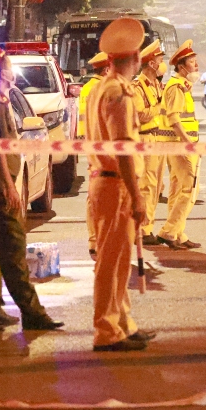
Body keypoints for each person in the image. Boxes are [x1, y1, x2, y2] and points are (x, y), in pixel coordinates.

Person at [0, 36, 64, 333]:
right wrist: (8, 186)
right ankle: (33, 313)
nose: (12, 70)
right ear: (2, 72)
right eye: (8, 65)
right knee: (13, 251)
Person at [85, 17, 157, 352]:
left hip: (109, 184)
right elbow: (124, 149)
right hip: (116, 186)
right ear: (137, 59)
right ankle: (107, 330)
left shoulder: (102, 86)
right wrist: (138, 195)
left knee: (118, 261)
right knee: (111, 263)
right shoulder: (119, 93)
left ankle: (123, 323)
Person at [157, 40, 203, 249]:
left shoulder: (183, 86)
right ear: (182, 66)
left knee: (177, 189)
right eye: (193, 62)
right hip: (180, 145)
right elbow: (174, 120)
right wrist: (189, 143)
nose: (197, 66)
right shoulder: (176, 87)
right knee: (188, 188)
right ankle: (168, 231)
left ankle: (178, 234)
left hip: (179, 145)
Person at [134, 41, 167, 247]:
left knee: (156, 186)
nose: (163, 64)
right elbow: (140, 114)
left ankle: (149, 226)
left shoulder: (158, 85)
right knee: (146, 185)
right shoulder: (138, 87)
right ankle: (143, 229)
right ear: (151, 64)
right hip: (145, 139)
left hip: (158, 139)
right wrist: (160, 107)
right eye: (160, 60)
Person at [77, 51, 110, 258]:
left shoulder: (87, 88)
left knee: (93, 195)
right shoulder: (104, 88)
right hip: (105, 148)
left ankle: (94, 239)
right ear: (106, 69)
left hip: (91, 147)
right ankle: (101, 239)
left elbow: (83, 119)